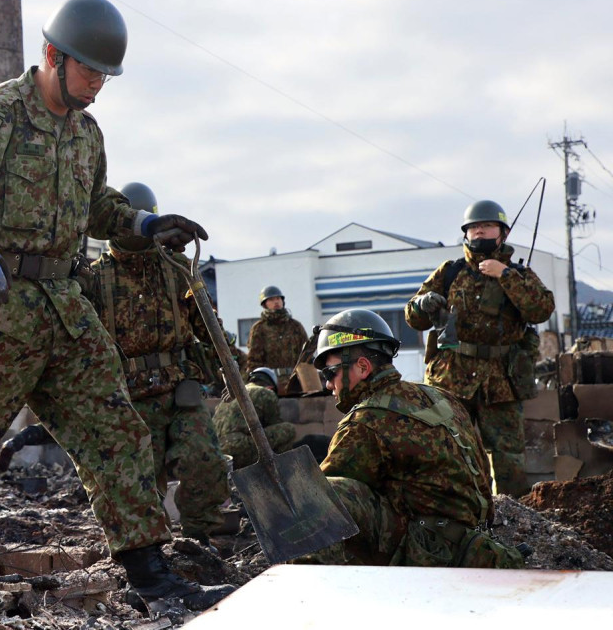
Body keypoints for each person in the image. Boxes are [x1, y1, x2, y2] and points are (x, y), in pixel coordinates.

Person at [0, 0, 233, 611]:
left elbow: (97, 208)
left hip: (67, 311)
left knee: (117, 432)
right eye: (90, 71)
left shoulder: (87, 134)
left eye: (105, 75)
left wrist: (146, 225)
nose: (98, 84)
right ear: (53, 55)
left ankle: (152, 576)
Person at [310, 308, 523, 567]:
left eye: (329, 373)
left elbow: (322, 504)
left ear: (363, 367)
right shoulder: (442, 398)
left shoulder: (366, 421)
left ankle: (309, 593)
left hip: (430, 555)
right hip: (478, 546)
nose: (328, 385)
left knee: (317, 497)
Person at [87, 181, 230, 545]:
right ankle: (153, 554)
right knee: (138, 485)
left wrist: (230, 365)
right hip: (128, 398)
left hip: (180, 390)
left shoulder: (176, 266)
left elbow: (207, 324)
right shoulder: (93, 277)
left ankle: (200, 542)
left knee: (205, 466)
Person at [405, 200, 556, 497]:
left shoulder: (519, 274)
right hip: (451, 376)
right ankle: (457, 510)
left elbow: (541, 309)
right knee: (446, 446)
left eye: (486, 226)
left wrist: (505, 274)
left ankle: (512, 517)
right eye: (473, 227)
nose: (479, 232)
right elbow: (413, 317)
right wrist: (423, 305)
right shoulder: (450, 272)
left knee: (507, 456)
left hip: (501, 379)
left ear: (503, 232)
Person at [212, 367, 300, 469]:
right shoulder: (265, 392)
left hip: (219, 455)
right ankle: (280, 471)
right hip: (239, 452)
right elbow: (274, 423)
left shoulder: (233, 393)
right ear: (271, 387)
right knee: (288, 429)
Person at [245, 285, 308, 385]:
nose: (276, 302)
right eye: (271, 299)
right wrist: (259, 381)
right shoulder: (259, 328)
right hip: (270, 381)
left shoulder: (295, 326)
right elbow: (253, 361)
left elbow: (306, 354)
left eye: (278, 298)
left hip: (296, 380)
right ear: (265, 304)